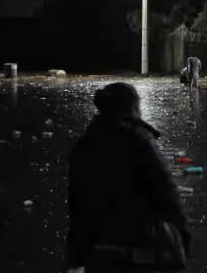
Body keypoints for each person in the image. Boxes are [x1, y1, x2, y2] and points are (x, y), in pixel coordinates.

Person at [67, 83, 191, 273]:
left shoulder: (83, 145)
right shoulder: (140, 140)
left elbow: (77, 207)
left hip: (101, 254)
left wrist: (76, 257)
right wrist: (183, 238)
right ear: (133, 108)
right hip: (141, 251)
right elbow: (168, 194)